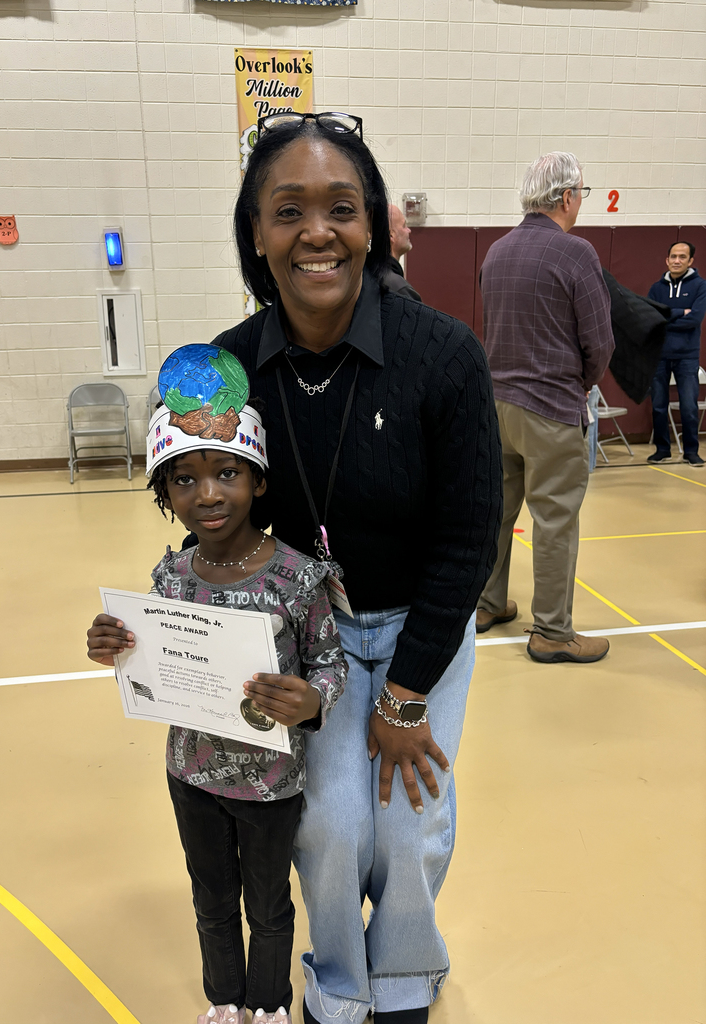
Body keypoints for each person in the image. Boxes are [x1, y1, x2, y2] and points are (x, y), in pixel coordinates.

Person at [212, 111, 502, 1024]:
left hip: (423, 626)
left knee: (411, 825)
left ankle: (408, 977)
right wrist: (174, 630)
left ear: (371, 224)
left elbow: (469, 542)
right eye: (286, 210)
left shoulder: (443, 356)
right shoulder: (224, 370)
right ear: (256, 233)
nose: (316, 232)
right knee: (331, 826)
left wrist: (405, 693)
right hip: (310, 636)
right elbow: (203, 520)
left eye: (340, 207)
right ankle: (337, 985)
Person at [87, 344, 348, 1024]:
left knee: (267, 904)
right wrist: (114, 645)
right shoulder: (170, 579)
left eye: (227, 473)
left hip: (269, 785)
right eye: (183, 481)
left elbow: (330, 662)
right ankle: (224, 1000)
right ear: (164, 493)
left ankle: (268, 1004)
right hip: (191, 776)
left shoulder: (296, 576)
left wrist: (314, 698)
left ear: (258, 481)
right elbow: (149, 661)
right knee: (211, 901)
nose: (207, 495)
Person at [476, 151, 614, 664]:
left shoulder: (496, 252)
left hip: (498, 406)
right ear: (566, 196)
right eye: (582, 193)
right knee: (554, 520)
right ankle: (553, 632)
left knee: (498, 511)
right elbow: (600, 342)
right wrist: (583, 383)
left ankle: (487, 603)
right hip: (552, 407)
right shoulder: (576, 253)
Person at [647, 241, 706, 467]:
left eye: (682, 257)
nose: (677, 261)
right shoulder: (656, 288)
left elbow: (695, 319)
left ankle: (691, 451)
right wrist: (682, 312)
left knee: (689, 406)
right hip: (659, 355)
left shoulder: (700, 286)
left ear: (690, 261)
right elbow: (651, 317)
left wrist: (666, 319)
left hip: (687, 356)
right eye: (673, 256)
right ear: (667, 259)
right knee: (658, 405)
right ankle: (662, 450)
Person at [380, 203, 422, 300]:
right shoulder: (399, 289)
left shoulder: (363, 278)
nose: (409, 230)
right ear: (391, 235)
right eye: (404, 225)